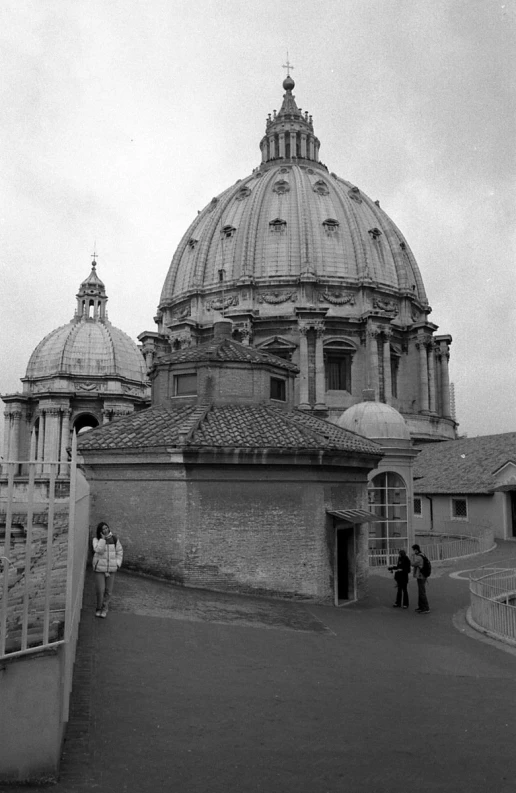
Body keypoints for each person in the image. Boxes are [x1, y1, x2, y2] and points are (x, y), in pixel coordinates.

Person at [92, 522, 123, 618]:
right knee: (100, 590)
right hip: (100, 569)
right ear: (100, 531)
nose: (105, 530)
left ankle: (105, 609)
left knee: (108, 591)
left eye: (106, 528)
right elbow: (98, 550)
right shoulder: (96, 540)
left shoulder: (114, 539)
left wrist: (117, 564)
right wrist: (103, 539)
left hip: (111, 569)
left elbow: (119, 552)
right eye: (103, 529)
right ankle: (98, 608)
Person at [411, 543, 430, 614]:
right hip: (423, 576)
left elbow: (412, 564)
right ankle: (421, 607)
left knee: (422, 592)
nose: (413, 552)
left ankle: (426, 608)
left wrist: (412, 557)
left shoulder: (418, 557)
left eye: (413, 550)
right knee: (421, 591)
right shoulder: (423, 554)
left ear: (416, 550)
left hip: (421, 576)